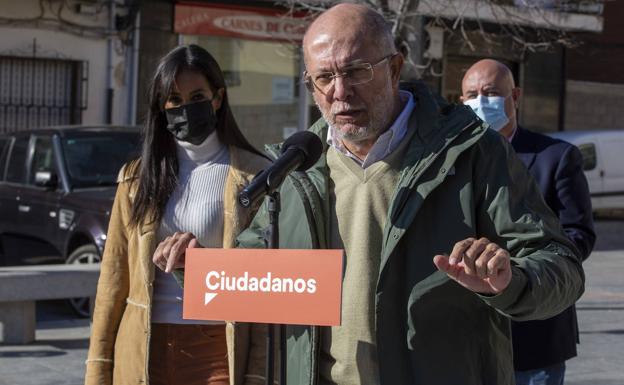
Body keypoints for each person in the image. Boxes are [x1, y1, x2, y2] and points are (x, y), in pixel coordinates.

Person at [234, 4, 585, 385]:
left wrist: (510, 280)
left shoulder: (472, 151)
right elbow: (249, 274)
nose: (340, 91)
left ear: (395, 68)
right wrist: (194, 267)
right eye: (324, 77)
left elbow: (561, 264)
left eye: (356, 71)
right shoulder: (298, 166)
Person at [84, 44, 268, 385]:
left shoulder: (256, 176)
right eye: (174, 99)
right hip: (142, 346)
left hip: (218, 348)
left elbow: (266, 284)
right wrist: (97, 371)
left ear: (218, 98)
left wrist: (205, 264)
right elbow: (111, 284)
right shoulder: (135, 179)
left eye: (197, 96)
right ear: (161, 107)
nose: (185, 108)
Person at [461, 59, 595, 385]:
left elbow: (579, 234)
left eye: (491, 92)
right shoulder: (455, 158)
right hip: (468, 338)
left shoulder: (556, 157)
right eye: (471, 94)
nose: (481, 100)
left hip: (535, 337)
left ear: (515, 96)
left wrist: (522, 266)